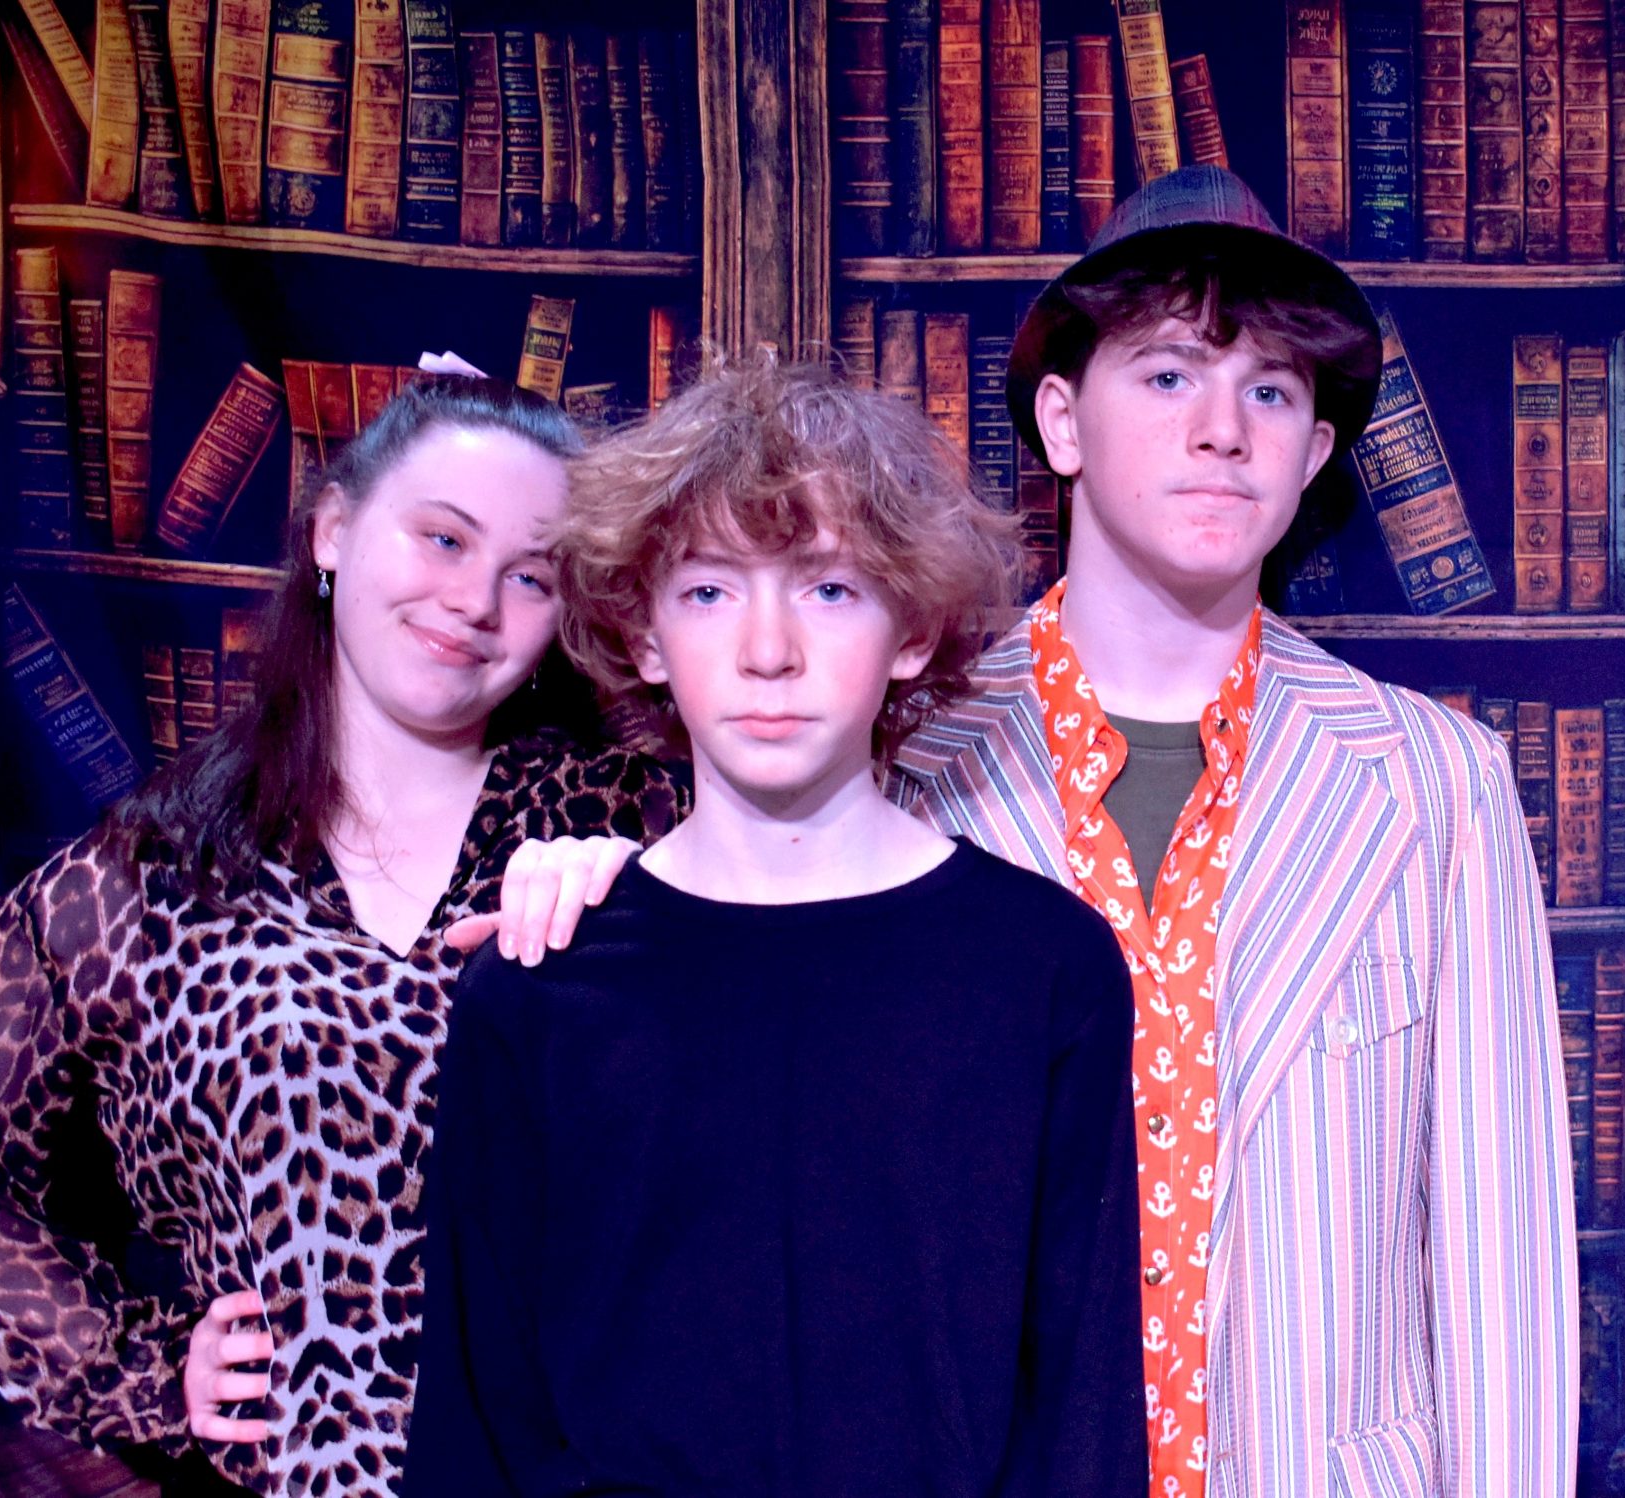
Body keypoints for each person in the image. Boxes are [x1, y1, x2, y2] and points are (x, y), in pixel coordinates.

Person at [467, 165, 1578, 1497]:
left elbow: (1504, 1268)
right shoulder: (885, 744)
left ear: (1317, 453)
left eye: (1273, 393)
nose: (1222, 430)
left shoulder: (1437, 787)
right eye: (1167, 374)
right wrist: (598, 882)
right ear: (1060, 419)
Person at [400, 355, 1145, 1496]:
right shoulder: (540, 985)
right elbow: (473, 1424)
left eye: (828, 589)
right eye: (708, 592)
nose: (767, 652)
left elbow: (1080, 1421)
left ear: (911, 630)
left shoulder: (1043, 970)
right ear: (644, 636)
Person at [0, 376, 681, 1496]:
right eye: (443, 538)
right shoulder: (154, 873)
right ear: (333, 530)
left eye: (531, 576)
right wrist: (133, 1369)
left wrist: (661, 908)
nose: (475, 600)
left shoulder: (636, 828)